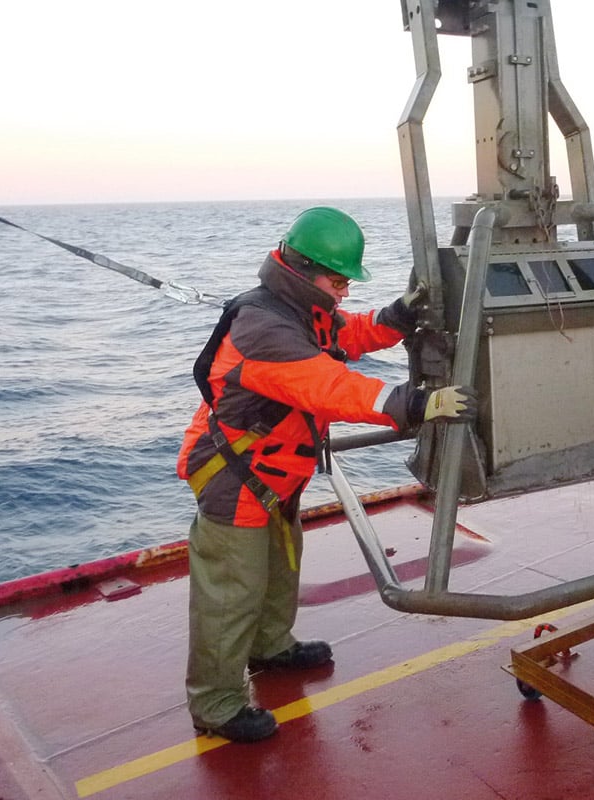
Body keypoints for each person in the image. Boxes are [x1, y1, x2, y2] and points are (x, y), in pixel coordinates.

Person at [178, 206, 475, 742]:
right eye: (339, 281)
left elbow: (349, 336)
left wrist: (398, 315)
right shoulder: (265, 328)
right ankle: (217, 704)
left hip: (274, 475)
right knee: (231, 588)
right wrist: (417, 402)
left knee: (277, 566)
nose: (343, 293)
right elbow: (329, 385)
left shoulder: (301, 310)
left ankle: (270, 648)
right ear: (304, 270)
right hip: (236, 476)